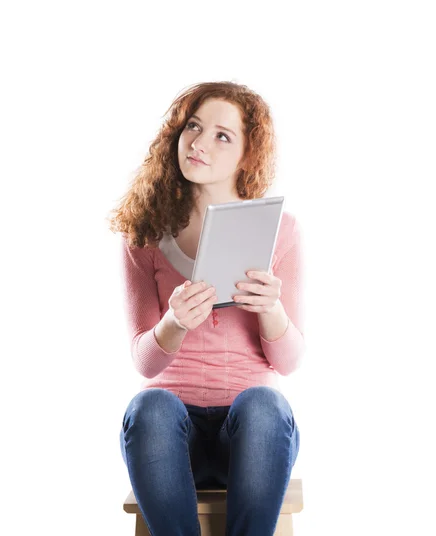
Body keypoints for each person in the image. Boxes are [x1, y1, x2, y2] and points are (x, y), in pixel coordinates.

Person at [107, 81, 305, 536]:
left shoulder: (282, 230)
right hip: (172, 438)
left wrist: (270, 310)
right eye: (192, 127)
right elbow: (144, 360)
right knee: (150, 406)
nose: (198, 143)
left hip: (254, 440)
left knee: (264, 404)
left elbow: (290, 362)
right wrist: (174, 323)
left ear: (247, 154)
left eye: (222, 135)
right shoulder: (145, 234)